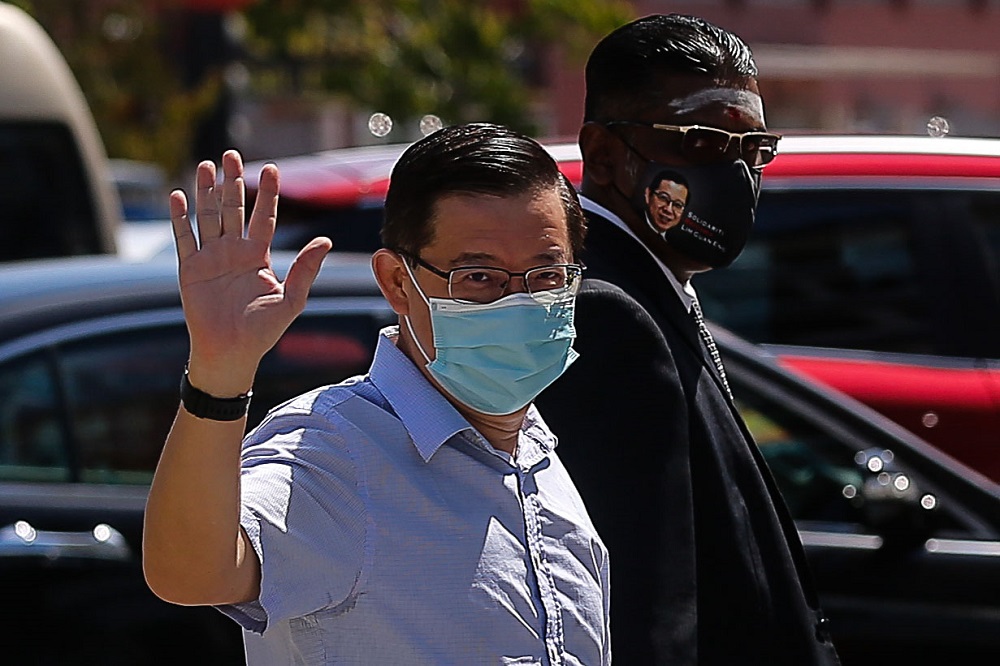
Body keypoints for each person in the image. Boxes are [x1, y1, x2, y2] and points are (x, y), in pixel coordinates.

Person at [142, 123, 610, 665]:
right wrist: (219, 373)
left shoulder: (536, 455)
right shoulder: (337, 453)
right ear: (396, 283)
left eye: (547, 275)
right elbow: (191, 570)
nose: (520, 301)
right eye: (479, 277)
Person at [534, 14, 842, 665]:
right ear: (605, 154)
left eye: (754, 149)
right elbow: (643, 598)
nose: (736, 175)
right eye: (703, 143)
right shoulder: (605, 314)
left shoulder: (659, 287)